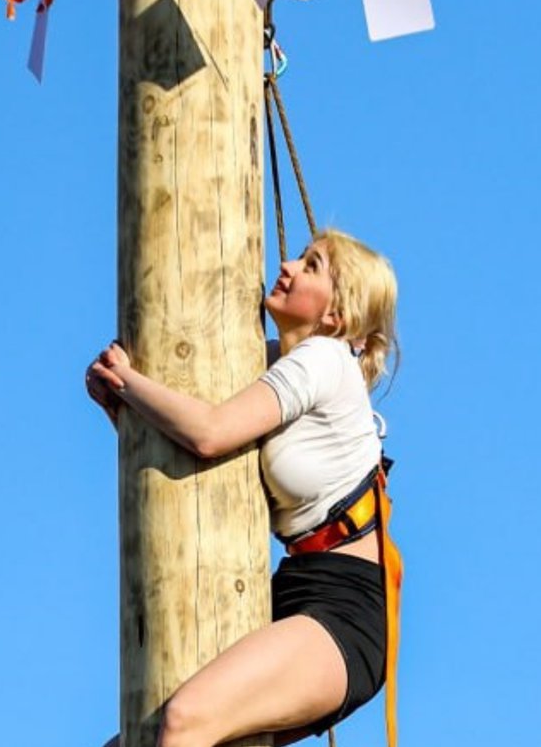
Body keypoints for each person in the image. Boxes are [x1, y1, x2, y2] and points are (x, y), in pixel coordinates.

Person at [85, 228, 399, 747]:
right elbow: (205, 467)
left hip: (344, 610)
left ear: (335, 316)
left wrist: (128, 382)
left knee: (186, 721)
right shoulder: (268, 361)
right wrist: (123, 409)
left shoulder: (323, 359)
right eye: (301, 256)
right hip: (295, 587)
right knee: (131, 743)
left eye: (312, 265)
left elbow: (209, 435)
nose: (288, 266)